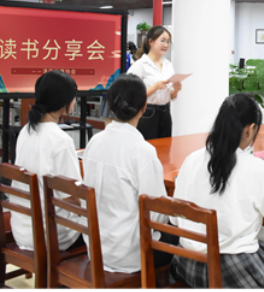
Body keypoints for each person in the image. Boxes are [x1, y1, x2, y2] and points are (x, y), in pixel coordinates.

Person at [170, 94, 264, 290]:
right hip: (229, 269)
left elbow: (175, 220)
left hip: (188, 264)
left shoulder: (191, 160)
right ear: (250, 130)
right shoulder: (255, 168)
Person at [82, 74, 175, 273]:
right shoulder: (142, 150)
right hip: (130, 254)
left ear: (111, 106)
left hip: (95, 247)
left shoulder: (94, 142)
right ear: (144, 107)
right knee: (184, 241)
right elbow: (158, 213)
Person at [10, 71, 83, 251]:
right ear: (65, 101)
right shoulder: (61, 140)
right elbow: (72, 196)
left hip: (21, 229)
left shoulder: (26, 131)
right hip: (53, 235)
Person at [128, 26, 182, 140]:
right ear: (151, 42)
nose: (166, 45)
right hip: (147, 112)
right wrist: (155, 87)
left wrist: (176, 90)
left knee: (165, 149)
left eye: (168, 42)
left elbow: (170, 95)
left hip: (165, 111)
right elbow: (131, 95)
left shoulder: (168, 65)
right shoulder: (140, 65)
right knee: (147, 148)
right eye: (162, 40)